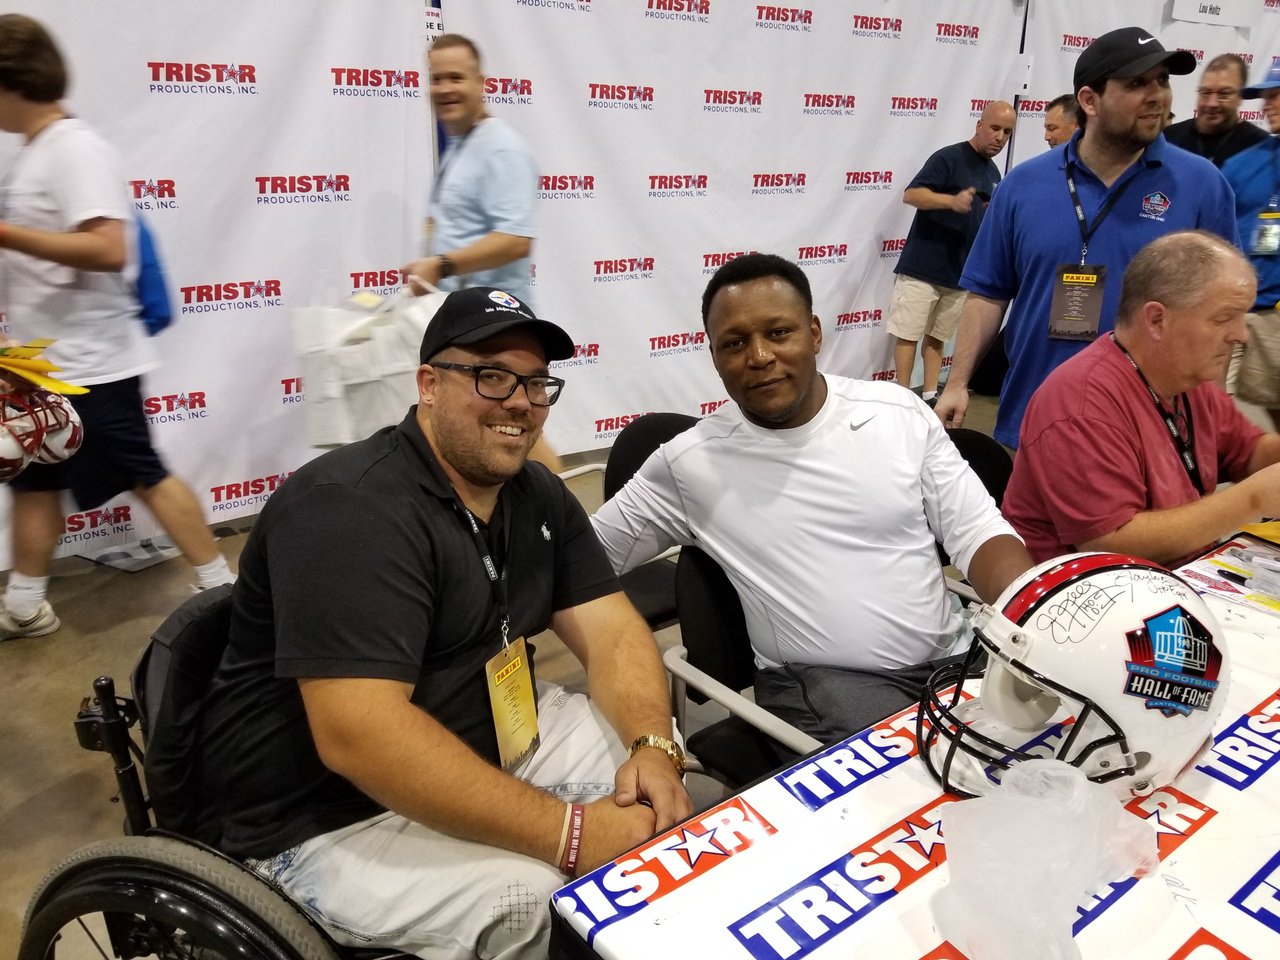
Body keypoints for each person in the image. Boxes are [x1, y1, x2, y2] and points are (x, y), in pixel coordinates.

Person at [188, 287, 691, 958]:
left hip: (484, 737)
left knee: (662, 785)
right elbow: (359, 736)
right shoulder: (348, 510)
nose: (520, 401)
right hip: (325, 815)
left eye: (535, 383)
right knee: (534, 903)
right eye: (492, 377)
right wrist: (571, 836)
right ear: (428, 384)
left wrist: (652, 745)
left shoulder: (536, 492)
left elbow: (613, 631)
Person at [591, 254, 1033, 743]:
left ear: (815, 333)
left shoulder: (898, 412)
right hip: (828, 685)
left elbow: (978, 532)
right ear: (714, 358)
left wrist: (1034, 621)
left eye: (779, 332)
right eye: (734, 343)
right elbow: (581, 559)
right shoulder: (690, 463)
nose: (760, 356)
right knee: (943, 776)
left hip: (959, 654)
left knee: (1052, 747)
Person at [0, 14, 233, 642]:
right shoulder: (35, 154)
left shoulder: (73, 150)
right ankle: (25, 605)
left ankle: (226, 595)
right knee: (34, 483)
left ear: (11, 81)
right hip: (44, 367)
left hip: (91, 365)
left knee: (143, 473)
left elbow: (108, 248)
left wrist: (6, 234)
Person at [934, 27, 1237, 450]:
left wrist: (1212, 408)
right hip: (1034, 418)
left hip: (1151, 431)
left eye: (1162, 81)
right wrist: (957, 383)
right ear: (1090, 100)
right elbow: (988, 293)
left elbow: (1220, 309)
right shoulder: (1022, 185)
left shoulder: (1202, 185)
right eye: (1137, 83)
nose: (1157, 96)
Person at [1002, 231, 1280, 566]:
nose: (1241, 335)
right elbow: (1113, 542)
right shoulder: (1081, 402)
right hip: (1084, 588)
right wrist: (1252, 500)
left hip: (1165, 580)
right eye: (1223, 319)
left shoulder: (1189, 378)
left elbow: (1248, 452)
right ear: (1156, 320)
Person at [888, 102, 1016, 403]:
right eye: (995, 128)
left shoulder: (993, 172)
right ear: (979, 125)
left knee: (938, 338)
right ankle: (902, 399)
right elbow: (912, 194)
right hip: (922, 268)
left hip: (959, 274)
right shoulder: (948, 157)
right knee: (908, 334)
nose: (999, 137)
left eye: (1007, 132)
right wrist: (951, 202)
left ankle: (930, 394)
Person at [403, 34, 536, 302]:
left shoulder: (502, 149)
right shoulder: (461, 144)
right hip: (463, 312)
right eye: (436, 79)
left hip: (496, 319)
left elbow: (516, 241)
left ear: (480, 83)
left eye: (456, 78)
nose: (444, 89)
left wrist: (441, 266)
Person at [1221, 61, 1280, 431]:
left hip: (1275, 315)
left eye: (1277, 95)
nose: (1267, 104)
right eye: (1266, 96)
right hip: (1239, 309)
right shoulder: (1242, 164)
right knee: (1213, 409)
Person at [1164, 54, 1266, 167]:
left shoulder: (1262, 148)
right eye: (1206, 92)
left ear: (1240, 97)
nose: (1212, 103)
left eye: (1224, 94)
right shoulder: (1167, 138)